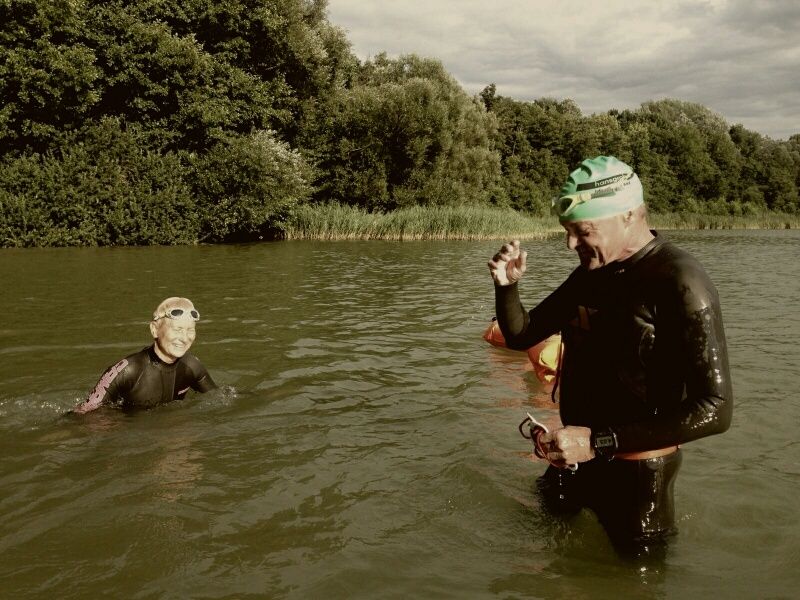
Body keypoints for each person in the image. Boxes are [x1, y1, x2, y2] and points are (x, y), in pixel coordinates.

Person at [487, 156, 732, 555]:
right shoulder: (590, 276)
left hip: (637, 474)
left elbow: (716, 410)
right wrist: (506, 287)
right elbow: (522, 335)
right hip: (573, 457)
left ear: (628, 216)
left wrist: (600, 441)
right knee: (537, 548)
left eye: (582, 231)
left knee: (633, 582)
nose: (571, 244)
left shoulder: (680, 280)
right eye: (567, 232)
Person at [74, 297, 216, 413]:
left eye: (190, 330)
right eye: (177, 329)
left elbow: (220, 398)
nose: (185, 338)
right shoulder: (127, 370)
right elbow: (82, 415)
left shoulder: (192, 366)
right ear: (154, 330)